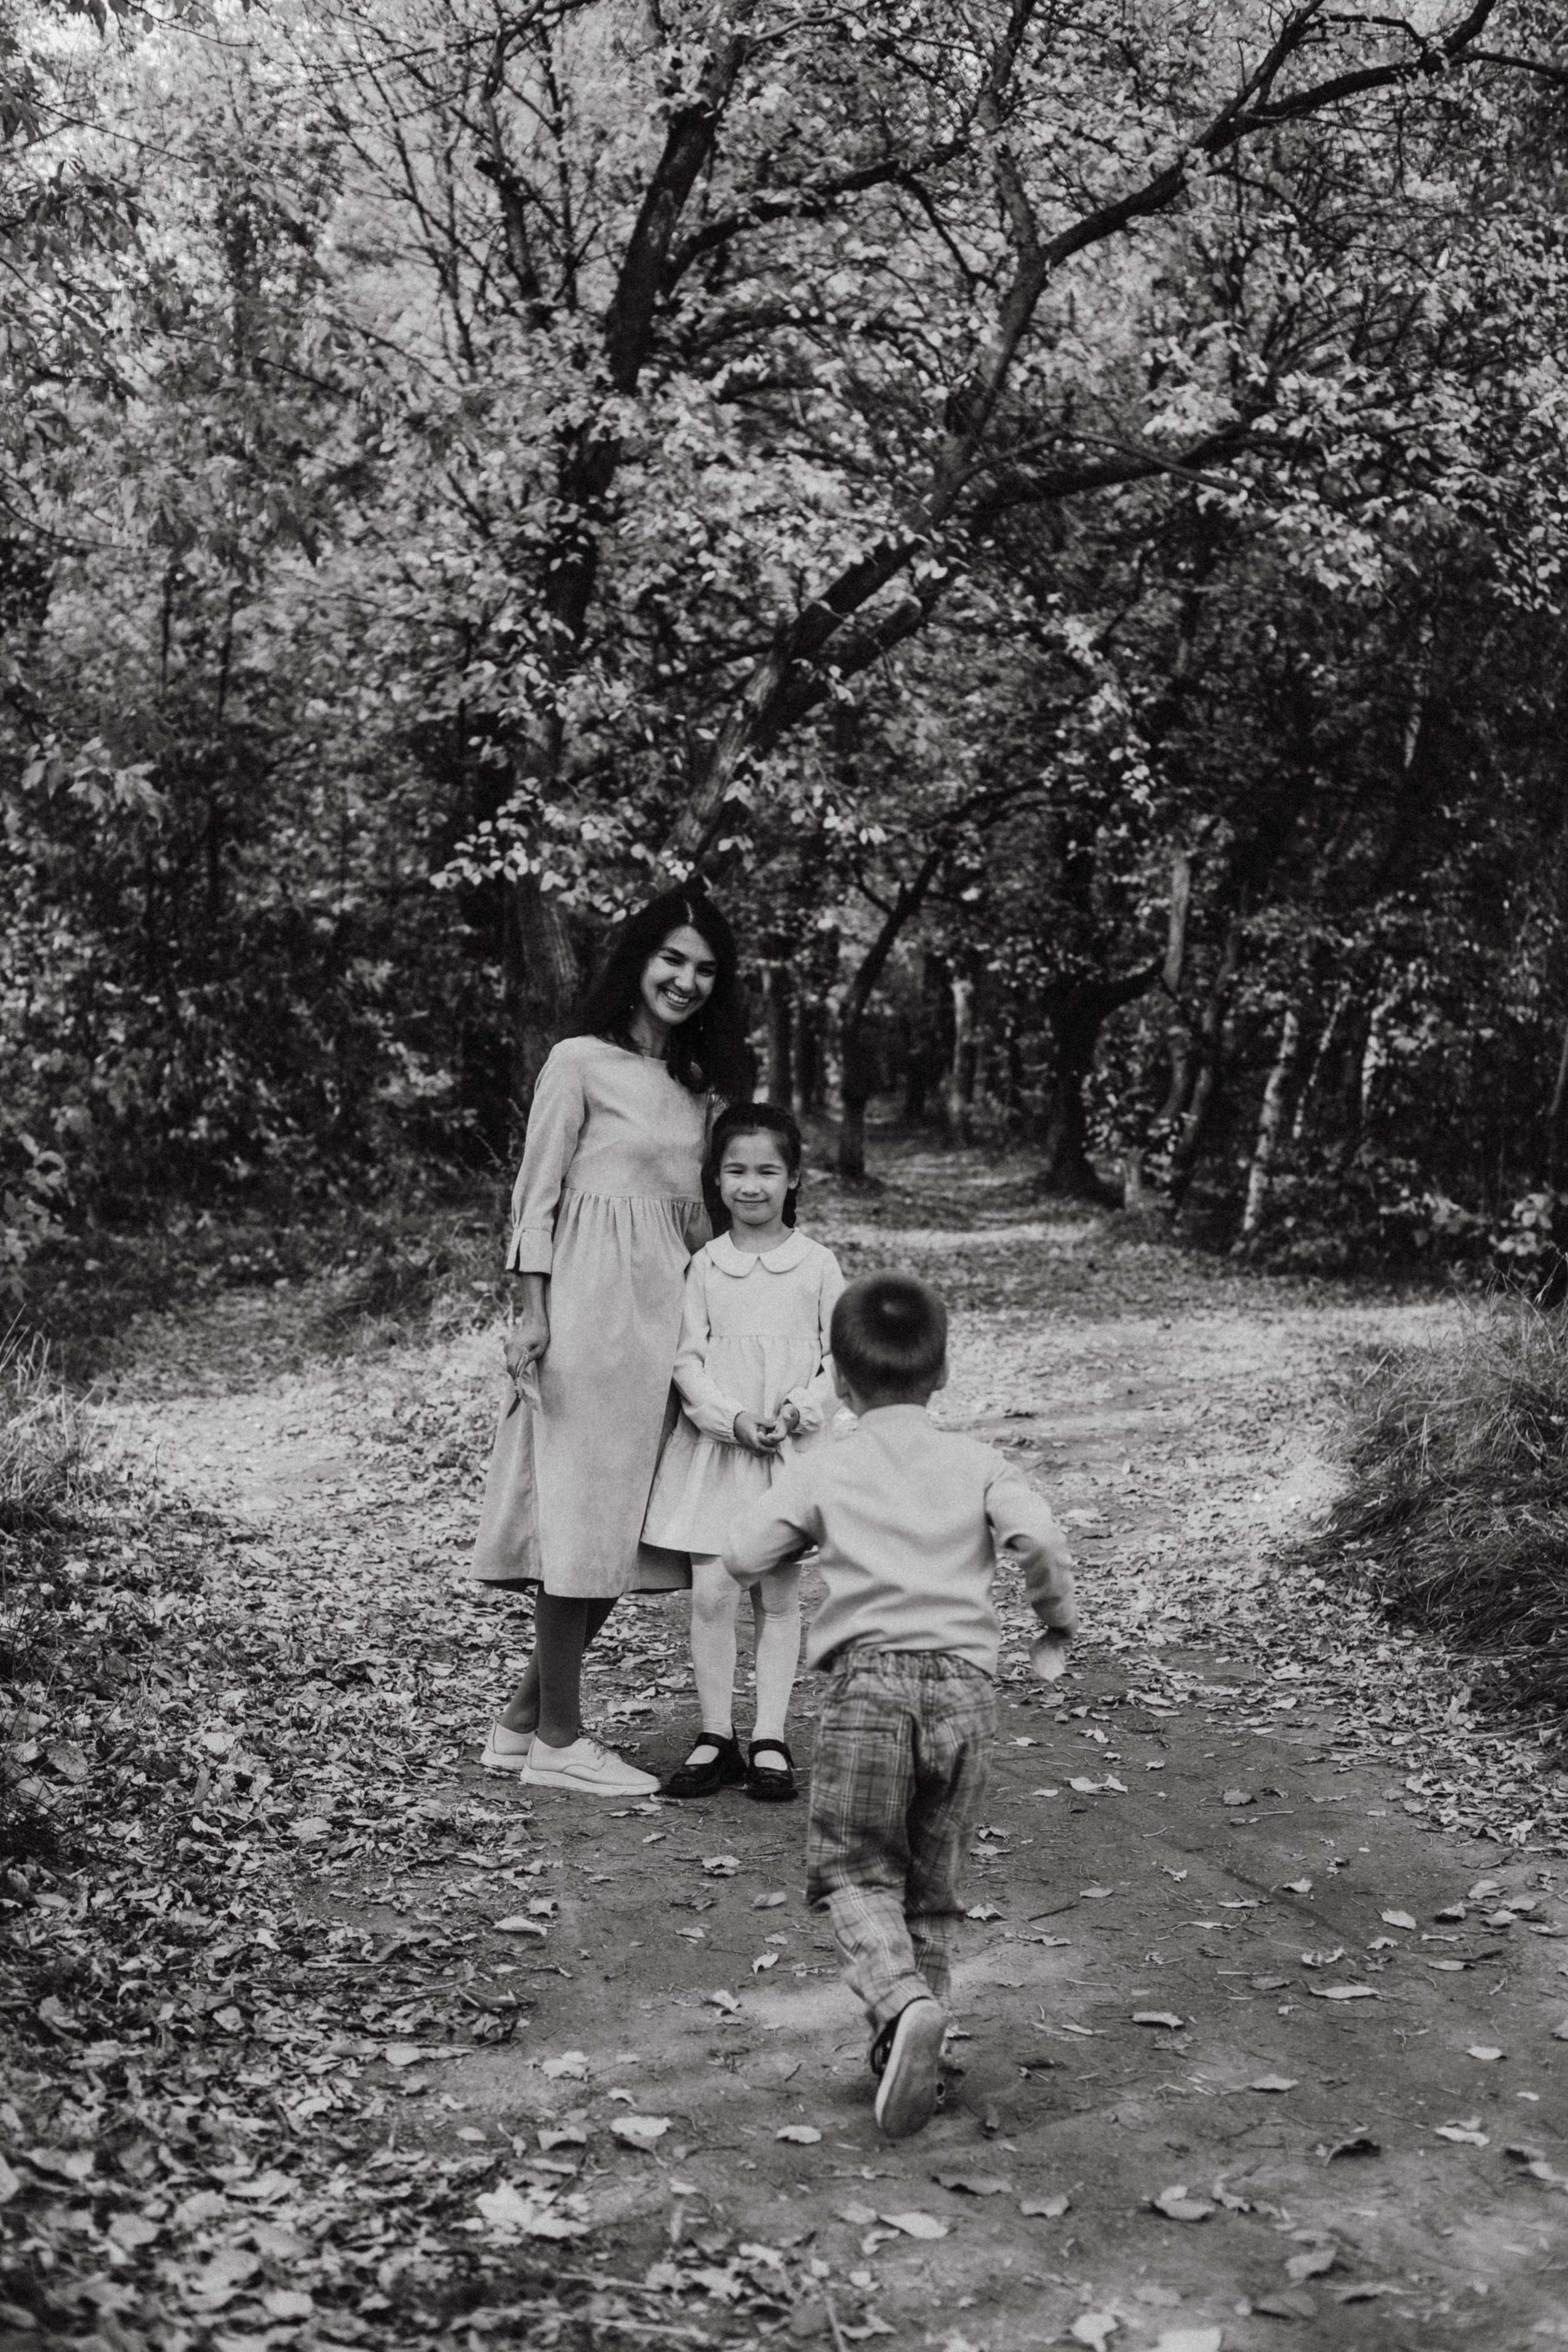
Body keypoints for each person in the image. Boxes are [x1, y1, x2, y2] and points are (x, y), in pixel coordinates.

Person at [722, 1270, 1078, 2137]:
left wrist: (793, 1514)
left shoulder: (829, 1468)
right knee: (929, 1886)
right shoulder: (981, 1463)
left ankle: (898, 2000)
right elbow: (1039, 1537)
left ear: (840, 1383)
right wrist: (1054, 1622)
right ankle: (917, 2056)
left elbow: (742, 1553)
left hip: (868, 1690)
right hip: (966, 1693)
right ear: (943, 1371)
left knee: (853, 1870)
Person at [470, 888, 753, 1798]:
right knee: (580, 1525)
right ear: (638, 960)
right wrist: (531, 1310)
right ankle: (560, 1740)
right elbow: (536, 1196)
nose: (686, 980)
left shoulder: (702, 1088)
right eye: (672, 959)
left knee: (622, 1534)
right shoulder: (578, 1062)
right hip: (590, 1315)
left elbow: (712, 1214)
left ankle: (523, 1724)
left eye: (706, 969)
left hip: (667, 1322)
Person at [643, 1103, 843, 1803]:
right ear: (715, 1179)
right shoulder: (704, 1265)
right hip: (718, 1453)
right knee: (713, 1593)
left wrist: (795, 1410)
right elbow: (687, 1359)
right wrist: (732, 1419)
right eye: (735, 1170)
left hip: (787, 1457)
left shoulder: (816, 1265)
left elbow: (837, 1359)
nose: (750, 1185)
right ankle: (714, 1734)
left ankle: (769, 1737)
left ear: (793, 1179)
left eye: (767, 1171)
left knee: (779, 1599)